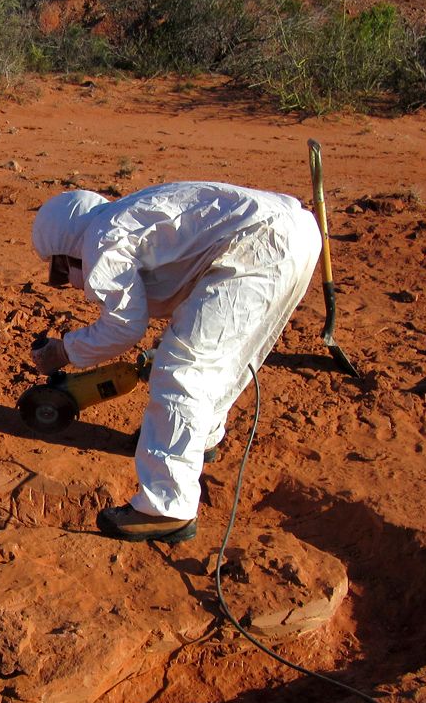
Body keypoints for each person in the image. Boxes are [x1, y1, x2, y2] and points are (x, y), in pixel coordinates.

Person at [30, 181, 321, 542]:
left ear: (67, 245)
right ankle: (201, 437)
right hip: (294, 232)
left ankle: (166, 508)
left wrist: (64, 351)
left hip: (259, 244)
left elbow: (123, 328)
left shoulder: (100, 240)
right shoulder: (120, 220)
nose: (66, 282)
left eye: (59, 271)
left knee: (182, 369)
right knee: (222, 356)